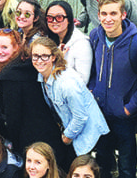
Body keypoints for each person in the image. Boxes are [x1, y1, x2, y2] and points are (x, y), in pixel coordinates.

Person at [88, 0, 137, 178]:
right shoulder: (95, 36)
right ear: (98, 15)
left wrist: (129, 107)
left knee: (127, 164)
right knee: (102, 158)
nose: (108, 19)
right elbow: (92, 69)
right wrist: (91, 90)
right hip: (100, 112)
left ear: (123, 15)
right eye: (104, 14)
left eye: (113, 14)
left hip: (124, 115)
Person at [31, 37, 109, 166]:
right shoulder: (43, 76)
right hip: (74, 132)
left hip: (89, 137)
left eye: (44, 56)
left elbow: (81, 116)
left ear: (53, 57)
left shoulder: (66, 84)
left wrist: (67, 137)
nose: (39, 61)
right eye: (35, 56)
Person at [0, 29, 63, 160]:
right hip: (50, 133)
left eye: (4, 47)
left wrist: (14, 142)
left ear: (16, 47)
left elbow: (13, 117)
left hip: (30, 141)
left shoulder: (9, 76)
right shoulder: (30, 66)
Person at [44, 0, 92, 85]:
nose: (54, 21)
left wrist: (60, 63)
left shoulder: (81, 44)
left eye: (59, 17)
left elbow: (82, 81)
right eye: (50, 18)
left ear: (69, 19)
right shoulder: (49, 39)